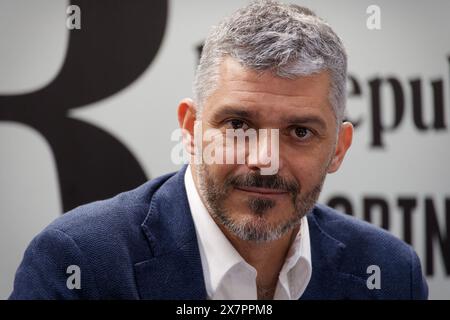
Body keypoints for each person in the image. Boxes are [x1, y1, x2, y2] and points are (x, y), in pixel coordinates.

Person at [10, 0, 427, 300]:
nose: (265, 160)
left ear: (338, 148)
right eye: (239, 125)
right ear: (191, 129)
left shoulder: (390, 274)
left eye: (299, 131)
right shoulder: (79, 263)